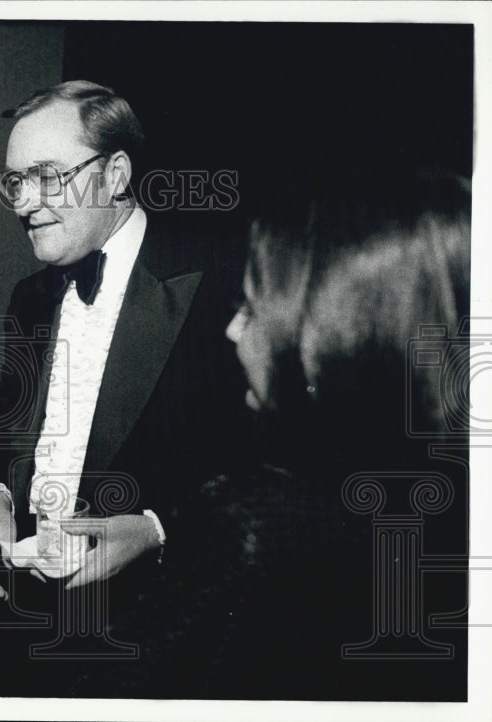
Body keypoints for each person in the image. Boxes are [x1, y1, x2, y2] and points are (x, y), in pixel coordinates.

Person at [73, 172, 471, 699]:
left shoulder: (251, 530)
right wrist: (154, 531)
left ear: (334, 331)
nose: (233, 330)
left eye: (251, 307)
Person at [0, 81, 248, 692]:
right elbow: (13, 433)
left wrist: (154, 529)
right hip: (21, 621)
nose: (23, 203)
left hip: (157, 627)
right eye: (15, 181)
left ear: (116, 173)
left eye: (47, 176)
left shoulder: (222, 278)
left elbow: (267, 461)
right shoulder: (29, 296)